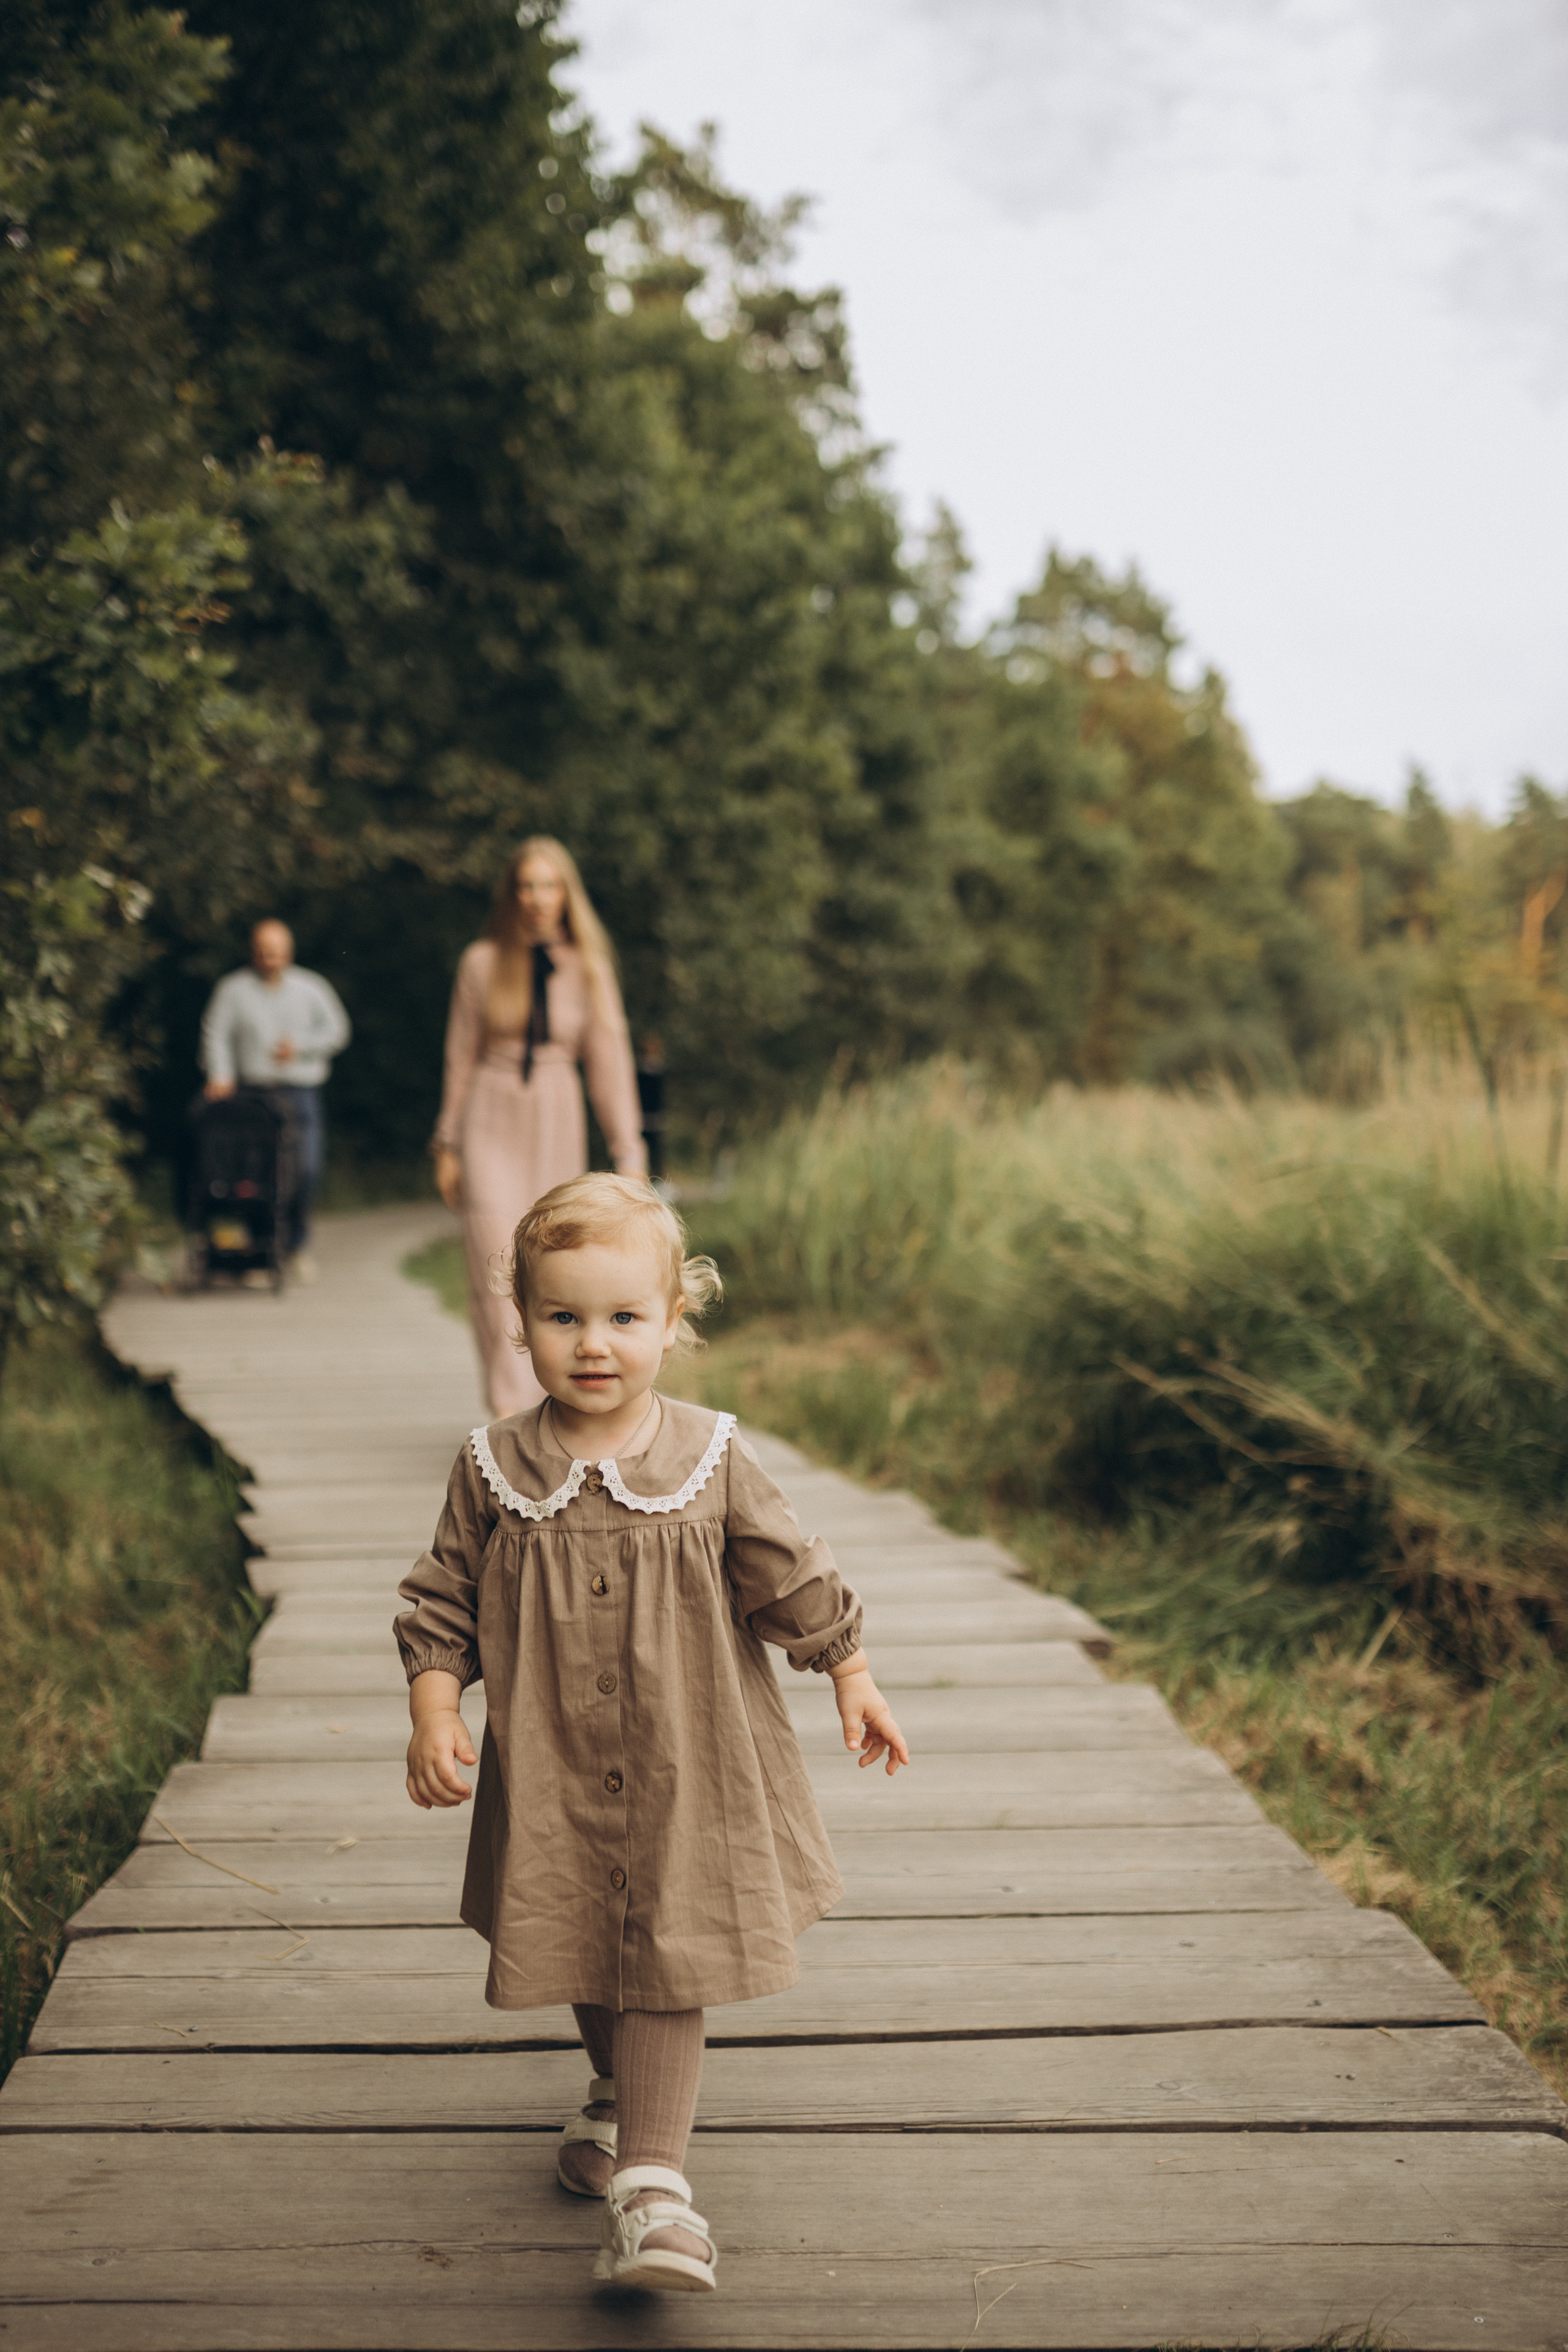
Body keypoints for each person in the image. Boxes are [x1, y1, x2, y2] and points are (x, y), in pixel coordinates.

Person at [393, 1174, 910, 2298]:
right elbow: (443, 1599)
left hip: (693, 1765)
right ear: (518, 1321)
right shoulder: (493, 1469)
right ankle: (621, 2090)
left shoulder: (713, 1457)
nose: (594, 1345)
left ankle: (655, 2193)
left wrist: (849, 1671)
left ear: (675, 1326)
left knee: (668, 1949)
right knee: (580, 1927)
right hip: (555, 1768)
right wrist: (438, 1705)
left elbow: (792, 1574)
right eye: (563, 1317)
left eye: (625, 1318)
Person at [432, 837, 646, 1415]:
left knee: (552, 1270)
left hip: (556, 1115)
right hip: (489, 1114)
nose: (538, 898)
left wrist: (630, 1150)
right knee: (495, 1267)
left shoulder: (590, 968)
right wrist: (446, 1142)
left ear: (566, 894)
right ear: (512, 894)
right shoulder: (480, 963)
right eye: (526, 885)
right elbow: (459, 1056)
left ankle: (551, 1411)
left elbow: (610, 1065)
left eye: (549, 885)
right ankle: (509, 1413)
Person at [200, 919, 351, 1283]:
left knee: (306, 1169)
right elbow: (216, 1033)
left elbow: (337, 1030)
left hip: (300, 1093)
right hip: (251, 1096)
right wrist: (220, 1075)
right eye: (265, 952)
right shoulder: (232, 990)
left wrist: (301, 1049)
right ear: (254, 952)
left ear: (290, 952)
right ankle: (258, 1250)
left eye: (278, 952)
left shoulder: (311, 987)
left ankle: (297, 1245)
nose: (271, 959)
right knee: (253, 1176)